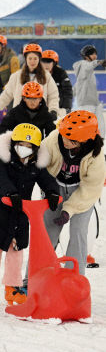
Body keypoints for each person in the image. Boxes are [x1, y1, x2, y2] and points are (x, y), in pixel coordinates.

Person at [0, 123, 59, 306]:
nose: (25, 149)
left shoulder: (36, 164)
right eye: (21, 144)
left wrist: (52, 192)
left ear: (36, 149)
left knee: (17, 249)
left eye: (29, 147)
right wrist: (10, 193)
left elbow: (46, 179)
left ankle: (13, 286)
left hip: (20, 211)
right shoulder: (2, 159)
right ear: (13, 144)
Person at [42, 110, 105, 276]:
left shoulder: (96, 155)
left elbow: (90, 190)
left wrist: (69, 210)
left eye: (71, 140)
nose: (65, 141)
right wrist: (49, 191)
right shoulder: (54, 139)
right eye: (64, 136)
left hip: (81, 193)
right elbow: (40, 166)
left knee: (78, 233)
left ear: (84, 140)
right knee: (47, 234)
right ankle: (35, 278)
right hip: (55, 189)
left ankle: (72, 279)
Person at [0, 43, 59, 120]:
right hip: (20, 117)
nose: (32, 62)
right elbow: (7, 94)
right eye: (30, 58)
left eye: (35, 58)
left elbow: (53, 96)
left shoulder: (46, 76)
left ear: (39, 59)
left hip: (40, 118)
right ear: (25, 59)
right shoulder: (16, 76)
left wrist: (53, 110)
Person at [73, 45, 106, 137]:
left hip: (94, 102)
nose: (95, 55)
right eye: (92, 54)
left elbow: (77, 86)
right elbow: (88, 65)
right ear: (86, 56)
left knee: (101, 129)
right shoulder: (83, 64)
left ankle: (100, 144)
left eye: (95, 53)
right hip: (85, 104)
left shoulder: (88, 72)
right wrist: (99, 62)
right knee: (87, 129)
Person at [40, 50, 72, 114]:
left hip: (58, 108)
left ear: (54, 63)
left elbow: (67, 91)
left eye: (49, 62)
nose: (46, 65)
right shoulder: (37, 74)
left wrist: (67, 107)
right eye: (44, 62)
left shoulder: (61, 73)